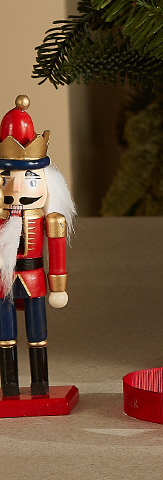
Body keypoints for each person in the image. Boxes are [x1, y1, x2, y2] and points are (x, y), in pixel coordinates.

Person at [0, 95, 75, 398]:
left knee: (37, 335)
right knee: (5, 337)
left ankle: (40, 385)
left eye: (30, 178)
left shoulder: (50, 217)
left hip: (34, 278)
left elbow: (57, 252)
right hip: (3, 280)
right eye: (6, 177)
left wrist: (59, 286)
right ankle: (9, 385)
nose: (16, 187)